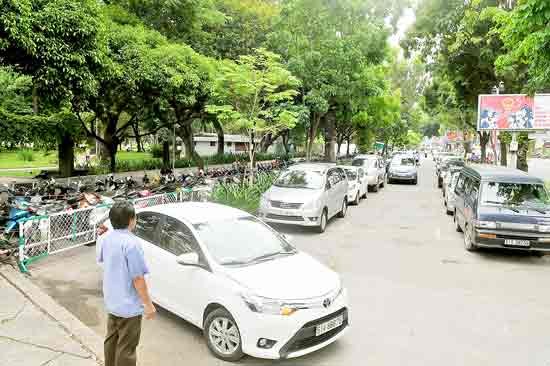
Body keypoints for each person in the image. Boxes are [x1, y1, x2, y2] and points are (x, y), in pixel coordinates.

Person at [98, 202, 156, 366]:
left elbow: (103, 259)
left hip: (112, 301)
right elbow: (138, 278)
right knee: (127, 349)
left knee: (111, 340)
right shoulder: (132, 244)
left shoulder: (107, 239)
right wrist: (149, 304)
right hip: (129, 306)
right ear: (132, 220)